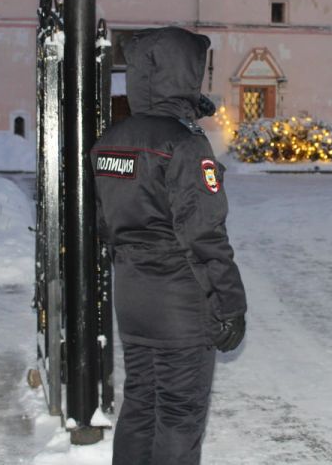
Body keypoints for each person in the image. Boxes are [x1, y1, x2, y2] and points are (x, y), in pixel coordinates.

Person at [90, 26, 247, 465]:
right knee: (179, 413)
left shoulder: (109, 141)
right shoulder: (183, 143)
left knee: (140, 402)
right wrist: (230, 304)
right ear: (185, 72)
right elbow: (205, 234)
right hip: (180, 301)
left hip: (133, 296)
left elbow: (104, 224)